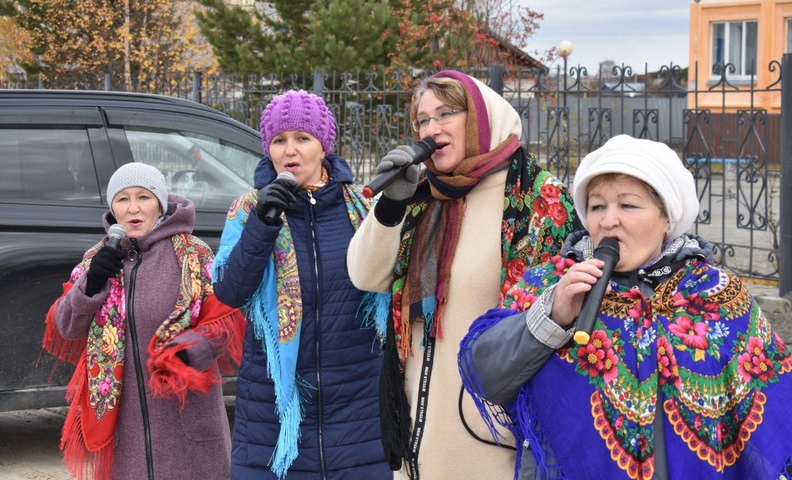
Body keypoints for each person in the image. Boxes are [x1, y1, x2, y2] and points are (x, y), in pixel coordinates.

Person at [458, 134, 792, 479]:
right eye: (597, 206)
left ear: (667, 217)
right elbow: (486, 378)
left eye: (628, 205)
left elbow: (775, 410)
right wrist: (551, 317)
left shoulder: (717, 293)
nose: (607, 221)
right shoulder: (551, 283)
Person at [346, 70, 581, 479]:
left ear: (479, 118)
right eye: (422, 119)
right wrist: (389, 207)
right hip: (415, 435)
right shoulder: (421, 194)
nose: (430, 128)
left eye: (445, 114)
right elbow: (366, 276)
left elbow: (551, 323)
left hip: (492, 437)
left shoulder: (537, 198)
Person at [212, 89, 391, 479]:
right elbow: (229, 290)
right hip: (272, 407)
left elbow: (391, 283)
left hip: (357, 401)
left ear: (323, 146)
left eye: (302, 138)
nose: (289, 151)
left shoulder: (361, 208)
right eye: (279, 141)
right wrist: (264, 221)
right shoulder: (249, 208)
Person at [42, 162, 244, 480]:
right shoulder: (96, 260)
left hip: (186, 421)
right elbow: (66, 327)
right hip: (126, 432)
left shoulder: (193, 255)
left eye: (144, 197)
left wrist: (190, 351)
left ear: (160, 204)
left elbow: (224, 324)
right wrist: (90, 285)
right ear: (112, 207)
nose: (133, 208)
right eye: (122, 199)